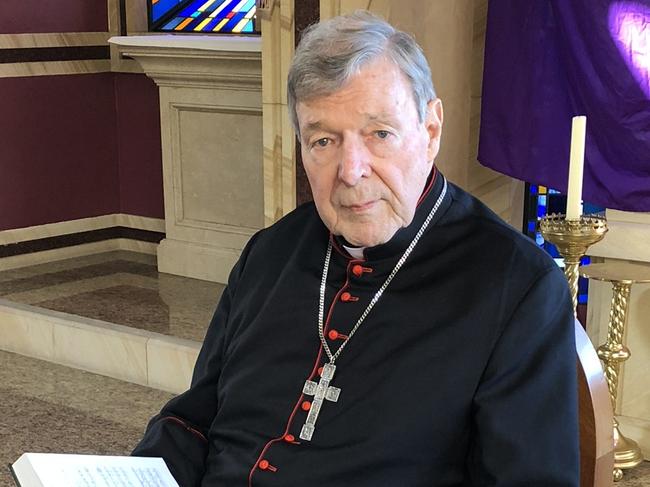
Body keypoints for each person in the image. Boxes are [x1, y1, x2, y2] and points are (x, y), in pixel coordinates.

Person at [133, 11, 579, 486]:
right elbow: (194, 420)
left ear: (430, 131)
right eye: (323, 140)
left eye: (379, 134)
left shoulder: (516, 285)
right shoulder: (269, 254)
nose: (351, 170)